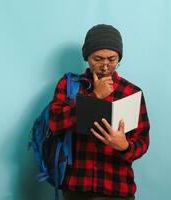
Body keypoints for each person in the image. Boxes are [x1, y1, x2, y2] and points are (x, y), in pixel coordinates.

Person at [49, 24, 150, 200]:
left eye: (112, 59)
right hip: (76, 187)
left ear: (119, 57)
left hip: (116, 188)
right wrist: (95, 96)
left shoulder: (131, 92)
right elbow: (55, 123)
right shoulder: (68, 85)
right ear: (87, 57)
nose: (105, 66)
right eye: (98, 59)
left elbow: (142, 141)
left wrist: (124, 146)